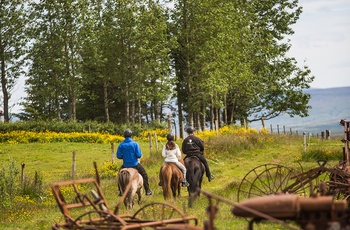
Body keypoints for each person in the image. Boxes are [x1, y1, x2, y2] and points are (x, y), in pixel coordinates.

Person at [116, 129, 153, 196]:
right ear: (131, 136)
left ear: (124, 136)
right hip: (135, 164)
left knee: (119, 176)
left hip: (125, 165)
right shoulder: (135, 144)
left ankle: (120, 191)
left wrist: (124, 156)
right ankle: (148, 190)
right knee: (144, 174)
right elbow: (139, 155)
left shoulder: (121, 145)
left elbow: (118, 156)